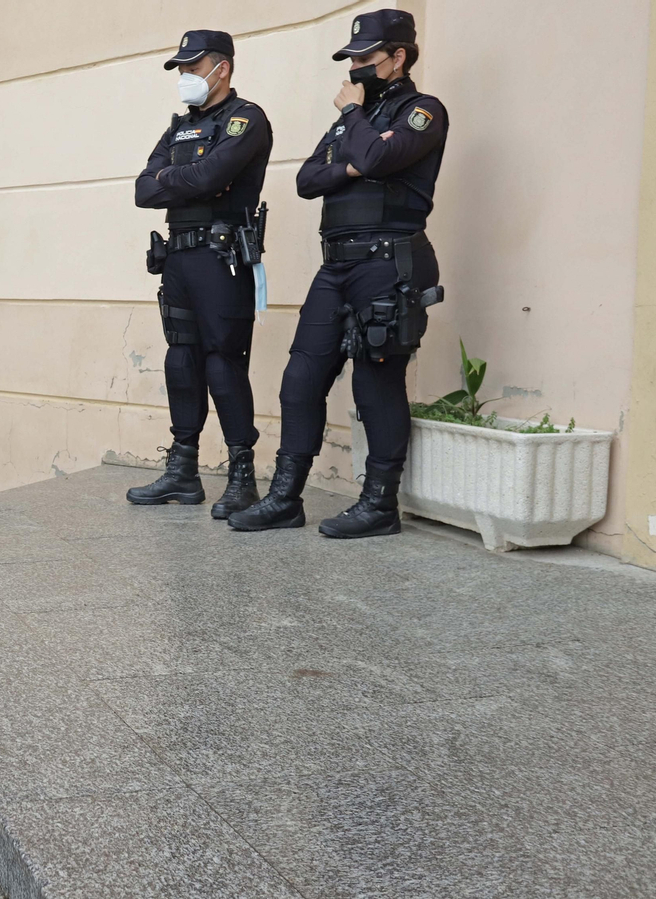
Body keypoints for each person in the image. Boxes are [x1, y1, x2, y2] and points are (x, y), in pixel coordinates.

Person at [230, 8, 448, 539]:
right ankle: (285, 497)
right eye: (351, 59)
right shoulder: (353, 121)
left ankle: (378, 506)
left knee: (376, 383)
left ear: (398, 57)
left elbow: (375, 158)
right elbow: (308, 179)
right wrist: (355, 157)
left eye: (366, 59)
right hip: (337, 265)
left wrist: (354, 135)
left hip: (389, 262)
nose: (355, 70)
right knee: (301, 379)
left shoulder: (423, 112)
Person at [128, 29, 273, 519]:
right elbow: (143, 190)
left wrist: (176, 179)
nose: (185, 77)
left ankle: (241, 477)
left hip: (222, 256)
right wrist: (184, 180)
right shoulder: (178, 128)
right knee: (181, 361)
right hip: (179, 259)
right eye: (182, 69)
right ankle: (183, 471)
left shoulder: (245, 120)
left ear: (222, 68)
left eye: (192, 68)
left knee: (223, 364)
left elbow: (212, 177)